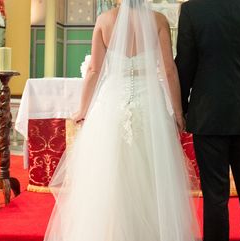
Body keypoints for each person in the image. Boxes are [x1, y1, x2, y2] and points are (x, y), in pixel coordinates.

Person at [44, 0, 199, 240]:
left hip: (112, 102)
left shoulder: (105, 20)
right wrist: (178, 113)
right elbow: (169, 69)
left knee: (110, 174)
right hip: (149, 104)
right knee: (151, 175)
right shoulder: (158, 20)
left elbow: (95, 70)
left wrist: (83, 109)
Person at [175, 1, 240, 241]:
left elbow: (185, 65)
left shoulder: (192, 10)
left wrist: (184, 107)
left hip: (209, 114)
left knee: (215, 197)